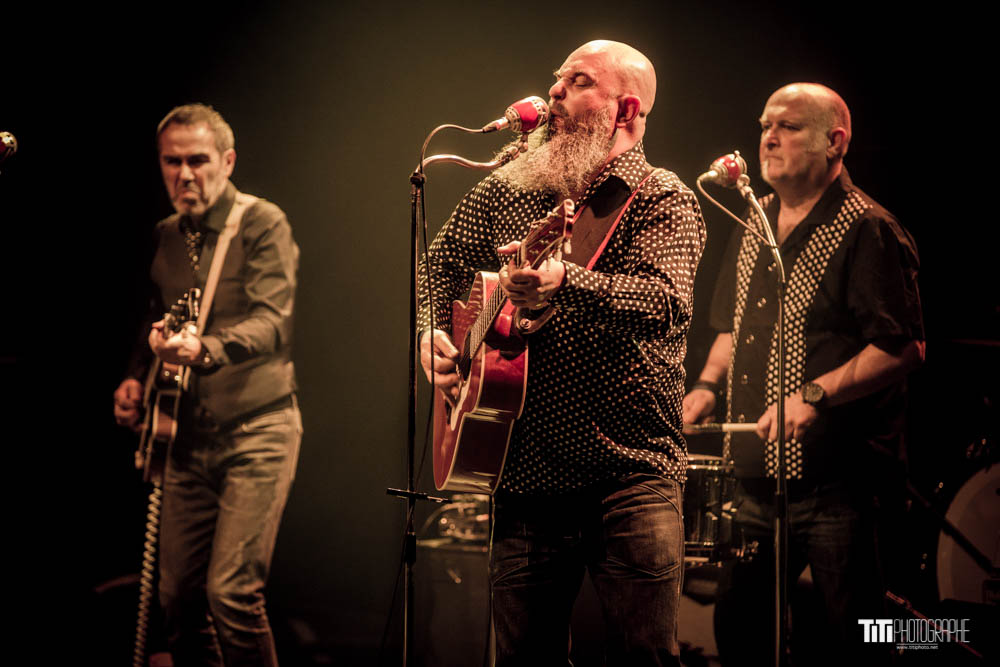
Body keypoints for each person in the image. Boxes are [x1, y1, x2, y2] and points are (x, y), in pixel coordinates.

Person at [419, 40, 705, 666]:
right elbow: (439, 262)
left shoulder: (661, 196)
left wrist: (565, 280)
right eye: (558, 78)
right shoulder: (507, 188)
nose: (554, 91)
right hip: (523, 474)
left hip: (628, 473)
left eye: (578, 81)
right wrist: (431, 334)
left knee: (646, 657)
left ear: (625, 109)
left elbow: (664, 303)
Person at [682, 83, 925, 665]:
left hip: (842, 483)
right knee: (740, 633)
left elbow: (905, 347)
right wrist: (707, 388)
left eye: (788, 126)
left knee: (861, 637)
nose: (768, 137)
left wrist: (814, 395)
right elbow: (729, 326)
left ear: (834, 141)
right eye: (765, 124)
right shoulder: (754, 219)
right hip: (756, 484)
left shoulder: (868, 226)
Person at [113, 103, 301, 666]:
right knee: (177, 600)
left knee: (233, 595)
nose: (185, 174)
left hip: (257, 431)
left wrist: (205, 348)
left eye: (198, 160)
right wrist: (134, 379)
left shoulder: (261, 222)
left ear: (227, 160)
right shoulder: (166, 234)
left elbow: (272, 321)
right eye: (172, 161)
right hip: (185, 438)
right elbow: (156, 312)